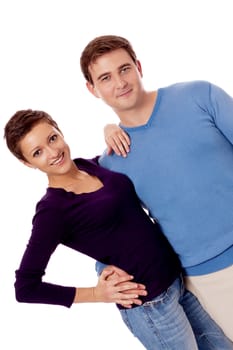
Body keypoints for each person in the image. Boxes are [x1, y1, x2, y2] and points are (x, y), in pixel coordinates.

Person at [4, 110, 233, 350]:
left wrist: (110, 127)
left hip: (177, 281)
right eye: (38, 153)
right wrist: (95, 294)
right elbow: (26, 288)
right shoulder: (52, 211)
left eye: (52, 138)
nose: (53, 153)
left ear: (59, 131)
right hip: (150, 305)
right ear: (27, 163)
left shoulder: (90, 165)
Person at [80, 34, 233, 341]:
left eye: (124, 69)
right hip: (206, 277)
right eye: (106, 77)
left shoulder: (200, 96)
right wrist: (106, 271)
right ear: (92, 89)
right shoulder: (112, 164)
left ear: (138, 66)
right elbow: (119, 232)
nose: (120, 82)